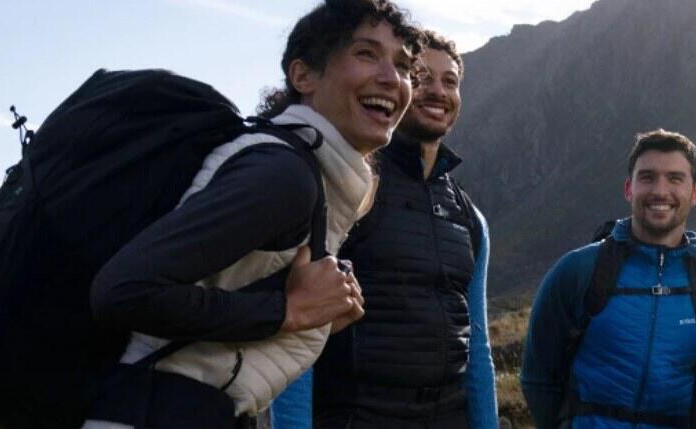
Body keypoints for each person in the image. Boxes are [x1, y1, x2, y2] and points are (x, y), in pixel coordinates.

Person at [84, 1, 424, 427]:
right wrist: (288, 312)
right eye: (366, 54)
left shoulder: (313, 175)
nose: (392, 78)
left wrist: (309, 320)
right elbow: (123, 291)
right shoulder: (282, 175)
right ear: (304, 76)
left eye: (404, 65)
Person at [272, 29, 498, 429]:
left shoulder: (469, 217)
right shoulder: (347, 190)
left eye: (450, 82)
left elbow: (477, 347)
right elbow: (298, 332)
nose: (438, 91)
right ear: (401, 88)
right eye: (422, 76)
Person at [521, 130, 696, 429]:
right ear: (628, 189)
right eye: (647, 177)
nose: (660, 191)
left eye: (675, 179)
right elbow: (537, 377)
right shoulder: (577, 271)